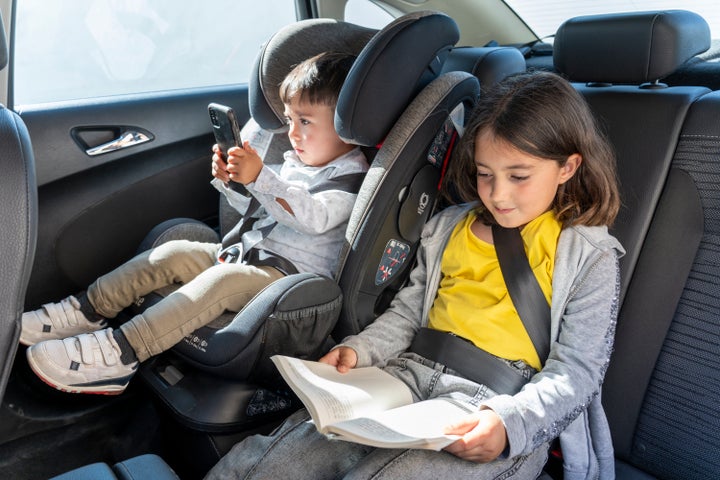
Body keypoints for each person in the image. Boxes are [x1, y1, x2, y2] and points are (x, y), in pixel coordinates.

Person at [204, 70, 624, 480]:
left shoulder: (588, 254)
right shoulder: (447, 228)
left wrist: (508, 424)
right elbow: (408, 314)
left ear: (567, 167)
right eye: (484, 174)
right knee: (277, 457)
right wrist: (362, 350)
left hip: (496, 404)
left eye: (519, 176)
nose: (498, 193)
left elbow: (578, 370)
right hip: (404, 376)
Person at [21, 51, 369, 395]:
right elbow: (258, 208)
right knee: (174, 253)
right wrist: (235, 182)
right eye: (290, 120)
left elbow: (313, 216)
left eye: (305, 122)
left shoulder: (353, 181)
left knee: (221, 280)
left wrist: (261, 177)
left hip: (286, 281)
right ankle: (87, 309)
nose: (292, 133)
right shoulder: (297, 164)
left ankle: (122, 352)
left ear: (347, 125)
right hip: (247, 256)